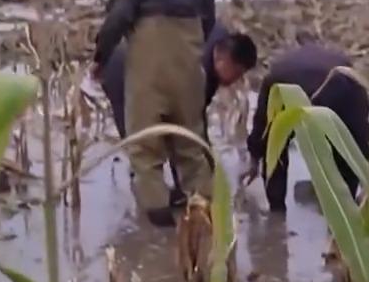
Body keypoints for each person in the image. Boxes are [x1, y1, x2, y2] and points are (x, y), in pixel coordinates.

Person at [92, 0, 216, 228]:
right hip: (188, 57)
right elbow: (209, 24)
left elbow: (119, 16)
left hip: (149, 55)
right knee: (190, 144)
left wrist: (101, 56)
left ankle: (161, 234)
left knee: (145, 148)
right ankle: (204, 223)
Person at [98, 23, 258, 206]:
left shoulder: (218, 41)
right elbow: (182, 131)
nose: (236, 80)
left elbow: (195, 120)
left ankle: (167, 192)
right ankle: (151, 206)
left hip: (152, 60)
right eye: (236, 73)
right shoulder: (197, 71)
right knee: (140, 141)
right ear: (224, 59)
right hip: (122, 69)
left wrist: (206, 157)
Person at [243, 42, 369, 214]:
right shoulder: (350, 84)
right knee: (346, 151)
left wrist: (254, 158)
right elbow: (358, 139)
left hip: (317, 84)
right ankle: (343, 212)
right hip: (302, 81)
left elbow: (263, 127)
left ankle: (277, 212)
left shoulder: (346, 84)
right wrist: (366, 178)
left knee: (274, 151)